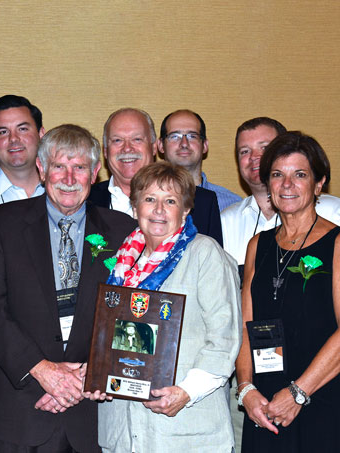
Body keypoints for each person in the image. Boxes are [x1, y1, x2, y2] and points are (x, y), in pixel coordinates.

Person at [0, 124, 137, 452]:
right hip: (23, 409)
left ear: (94, 174)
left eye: (79, 168)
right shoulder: (1, 223)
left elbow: (131, 312)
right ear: (42, 169)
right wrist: (43, 370)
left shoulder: (123, 231)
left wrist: (95, 373)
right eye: (59, 166)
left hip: (94, 411)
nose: (68, 178)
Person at [94, 161, 241, 452]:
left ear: (185, 210)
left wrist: (186, 392)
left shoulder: (204, 254)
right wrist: (99, 372)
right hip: (124, 432)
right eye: (149, 199)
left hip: (185, 426)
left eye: (170, 201)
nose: (159, 210)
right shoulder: (120, 262)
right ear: (135, 207)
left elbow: (225, 340)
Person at [235, 131, 340, 451]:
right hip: (265, 402)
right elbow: (244, 326)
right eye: (278, 175)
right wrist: (246, 390)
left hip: (322, 396)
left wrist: (298, 393)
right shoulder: (258, 246)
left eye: (300, 175)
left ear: (319, 184)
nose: (287, 184)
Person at [88, 108, 224, 245]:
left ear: (154, 147)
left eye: (137, 139)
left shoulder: (202, 202)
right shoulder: (86, 201)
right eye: (117, 140)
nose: (127, 148)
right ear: (105, 151)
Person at [0, 94, 46, 213]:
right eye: (3, 132)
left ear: (41, 134)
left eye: (22, 129)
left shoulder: (67, 193)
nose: (13, 138)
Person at [158, 109, 242, 211]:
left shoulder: (234, 206)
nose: (184, 143)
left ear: (205, 145)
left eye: (192, 136)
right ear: (161, 145)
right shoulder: (145, 202)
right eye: (175, 136)